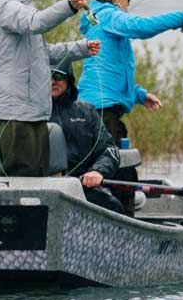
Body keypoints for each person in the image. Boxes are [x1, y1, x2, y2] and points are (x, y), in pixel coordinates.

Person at [0, 0, 96, 175]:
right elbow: (37, 22)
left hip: (31, 114)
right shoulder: (6, 6)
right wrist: (69, 7)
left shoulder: (19, 9)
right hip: (14, 117)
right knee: (24, 186)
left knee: (39, 183)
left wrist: (82, 48)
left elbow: (44, 52)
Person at [78, 0, 183, 147]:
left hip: (96, 106)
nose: (128, 3)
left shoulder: (97, 20)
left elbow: (108, 67)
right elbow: (142, 27)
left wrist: (138, 95)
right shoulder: (109, 16)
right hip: (102, 110)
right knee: (108, 167)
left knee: (107, 166)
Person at [49, 64, 128, 214]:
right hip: (42, 188)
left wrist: (98, 172)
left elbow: (109, 150)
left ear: (69, 80)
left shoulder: (87, 111)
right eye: (46, 77)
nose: (52, 81)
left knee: (114, 207)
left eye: (58, 77)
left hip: (81, 186)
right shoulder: (29, 114)